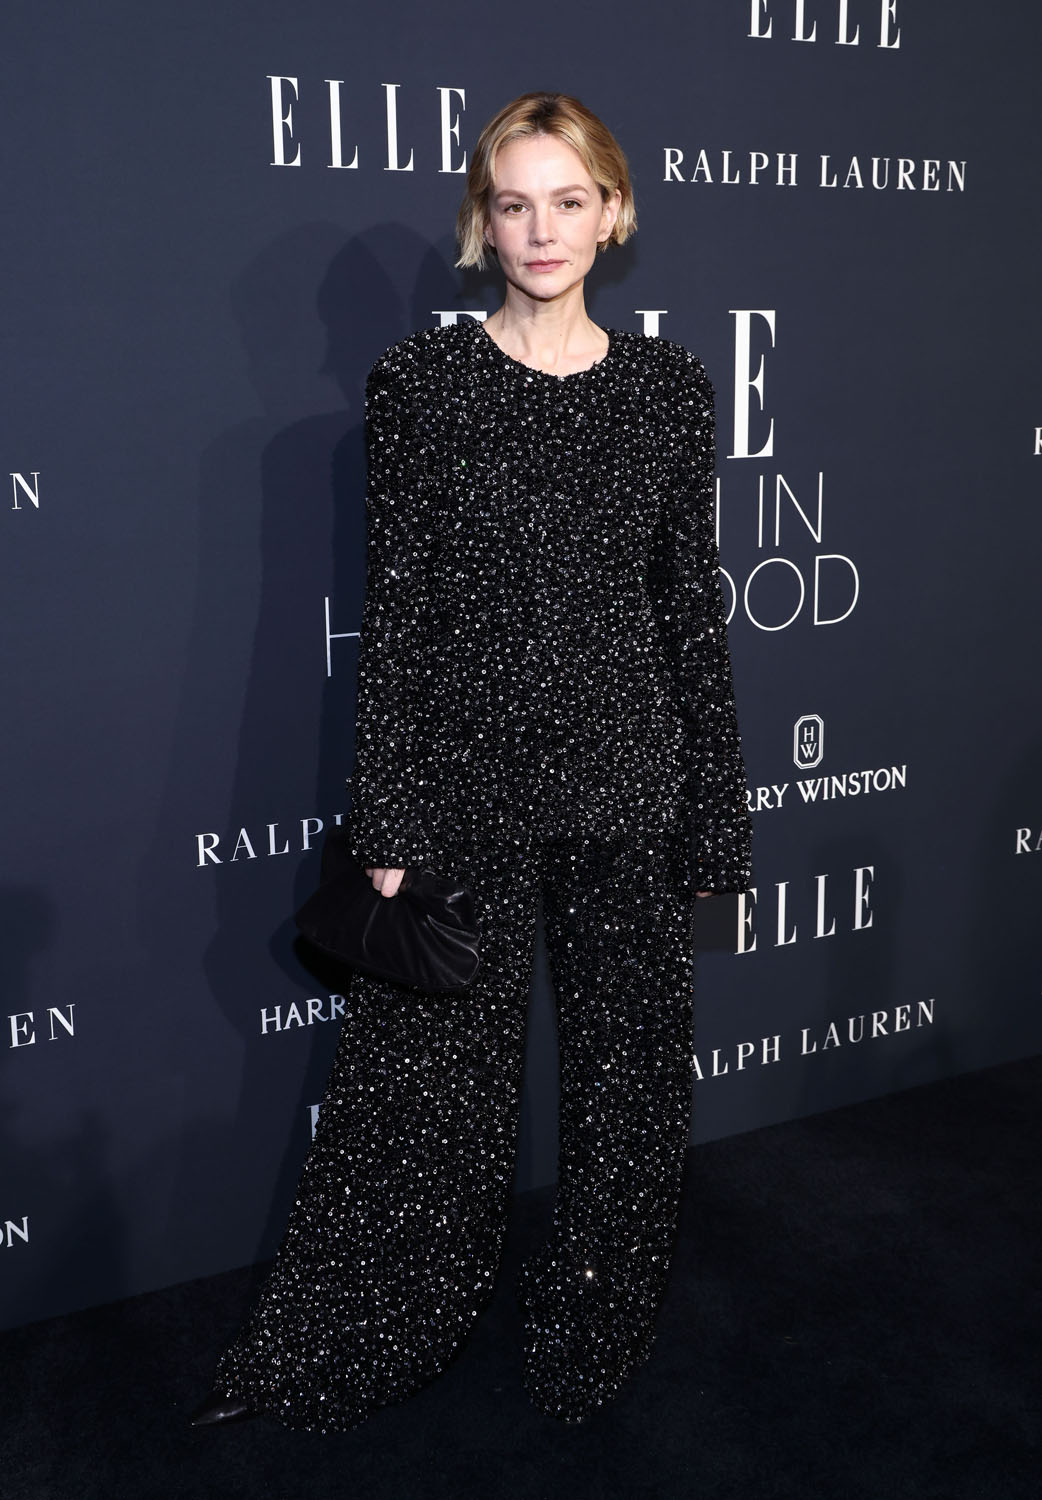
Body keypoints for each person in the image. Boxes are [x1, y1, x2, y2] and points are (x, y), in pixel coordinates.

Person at [192, 90, 752, 1434]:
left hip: (629, 788)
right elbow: (399, 618)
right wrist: (388, 822)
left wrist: (714, 818)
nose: (541, 230)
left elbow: (690, 610)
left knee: (628, 1096)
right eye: (514, 204)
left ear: (613, 215)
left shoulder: (670, 391)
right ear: (481, 224)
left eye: (568, 201)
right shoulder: (421, 388)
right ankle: (377, 1332)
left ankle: (593, 1330)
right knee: (422, 1101)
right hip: (466, 794)